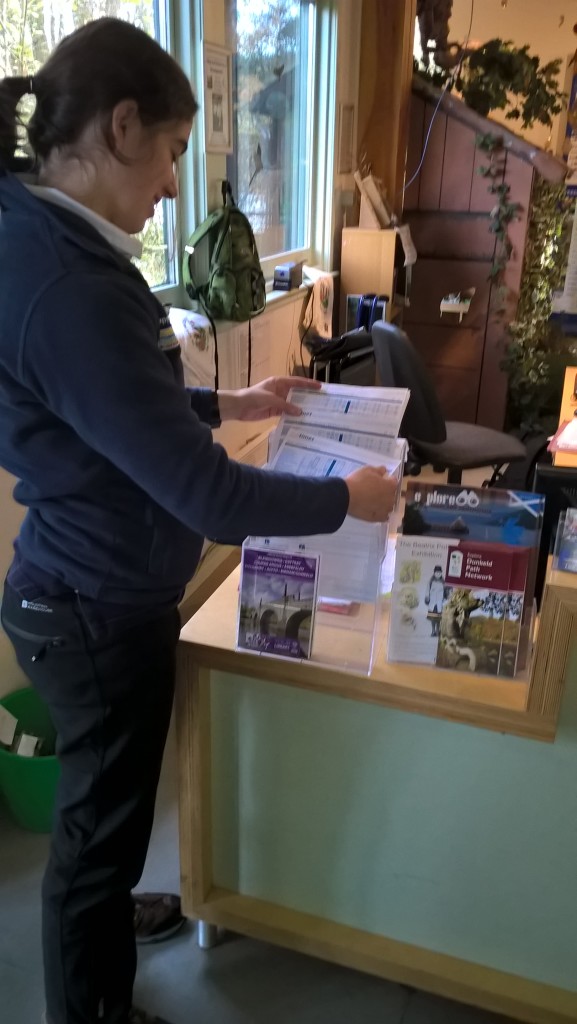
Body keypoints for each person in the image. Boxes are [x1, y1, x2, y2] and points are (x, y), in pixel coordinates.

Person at [0, 18, 397, 1024]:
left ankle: (108, 901)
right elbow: (210, 497)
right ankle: (91, 1003)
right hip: (93, 608)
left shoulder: (43, 235)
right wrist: (342, 499)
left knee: (112, 819)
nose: (176, 183)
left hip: (86, 583)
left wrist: (229, 404)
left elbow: (109, 411)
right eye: (174, 151)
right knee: (96, 835)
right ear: (120, 127)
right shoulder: (68, 284)